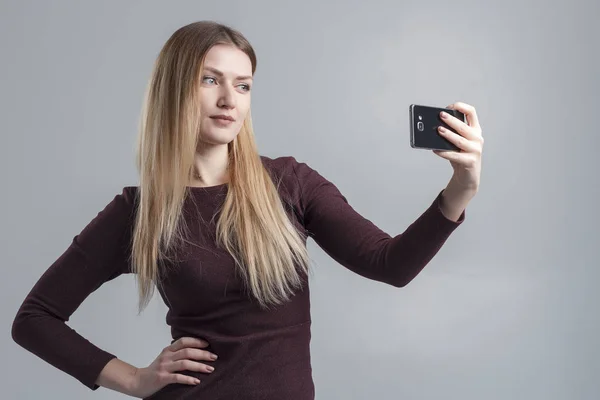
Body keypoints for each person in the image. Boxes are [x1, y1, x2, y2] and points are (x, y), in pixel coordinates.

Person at [11, 20, 483, 400]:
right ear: (175, 89)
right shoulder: (140, 210)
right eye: (210, 80)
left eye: (243, 85)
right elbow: (34, 319)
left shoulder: (290, 183)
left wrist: (461, 186)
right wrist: (134, 380)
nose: (228, 99)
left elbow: (391, 265)